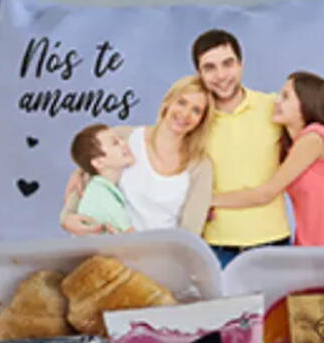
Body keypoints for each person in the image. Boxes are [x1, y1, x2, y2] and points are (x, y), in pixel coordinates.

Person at [209, 71, 324, 247]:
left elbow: (265, 194)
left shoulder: (314, 138)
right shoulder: (294, 146)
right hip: (310, 246)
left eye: (286, 96)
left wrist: (207, 200)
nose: (276, 101)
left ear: (306, 103)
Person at [61, 76, 214, 235]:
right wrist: (67, 218)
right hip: (113, 249)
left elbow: (190, 233)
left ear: (201, 120)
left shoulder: (200, 166)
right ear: (168, 103)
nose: (185, 113)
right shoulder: (124, 138)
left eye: (196, 110)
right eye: (181, 102)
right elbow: (91, 163)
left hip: (162, 250)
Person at [192, 30, 290, 267]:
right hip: (217, 247)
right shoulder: (194, 119)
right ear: (199, 74)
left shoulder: (273, 107)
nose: (221, 75)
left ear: (241, 65)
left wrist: (208, 200)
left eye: (228, 64)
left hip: (274, 242)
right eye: (210, 68)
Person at [70, 124, 135, 233]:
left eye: (121, 139)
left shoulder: (101, 188)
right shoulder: (102, 197)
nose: (124, 143)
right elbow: (134, 237)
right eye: (115, 143)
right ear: (98, 162)